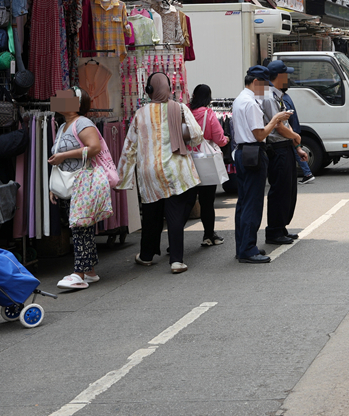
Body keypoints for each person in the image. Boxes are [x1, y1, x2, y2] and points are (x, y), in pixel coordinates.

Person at [119, 73, 204, 274]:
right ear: (169, 88)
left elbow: (129, 147)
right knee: (174, 215)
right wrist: (181, 135)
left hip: (149, 173)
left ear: (149, 90)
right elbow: (197, 135)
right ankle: (176, 261)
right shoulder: (180, 108)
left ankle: (146, 256)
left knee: (151, 215)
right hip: (175, 170)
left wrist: (122, 178)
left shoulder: (140, 114)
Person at [49, 88, 112, 290]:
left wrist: (65, 156)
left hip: (83, 181)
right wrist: (55, 186)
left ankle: (79, 273)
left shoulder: (83, 123)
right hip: (71, 183)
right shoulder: (63, 126)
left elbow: (94, 148)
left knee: (79, 228)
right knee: (81, 226)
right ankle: (90, 271)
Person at [230, 66, 294, 264]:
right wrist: (275, 119)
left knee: (243, 202)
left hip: (242, 152)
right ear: (256, 83)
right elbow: (259, 134)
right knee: (252, 203)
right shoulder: (250, 103)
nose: (266, 89)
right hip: (253, 151)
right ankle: (248, 248)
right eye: (265, 85)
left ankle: (243, 246)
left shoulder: (240, 99)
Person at [261, 60, 309, 245]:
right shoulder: (269, 96)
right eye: (286, 74)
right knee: (279, 191)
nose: (288, 78)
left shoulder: (277, 95)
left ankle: (281, 228)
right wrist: (296, 137)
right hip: (278, 148)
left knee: (288, 190)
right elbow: (279, 126)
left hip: (285, 147)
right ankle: (274, 231)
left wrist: (295, 145)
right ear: (279, 76)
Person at [188, 84, 230, 247]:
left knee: (186, 201)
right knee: (207, 202)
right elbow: (219, 138)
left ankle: (175, 240)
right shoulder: (208, 114)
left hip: (188, 161)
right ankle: (209, 235)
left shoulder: (186, 112)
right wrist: (226, 139)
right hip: (205, 161)